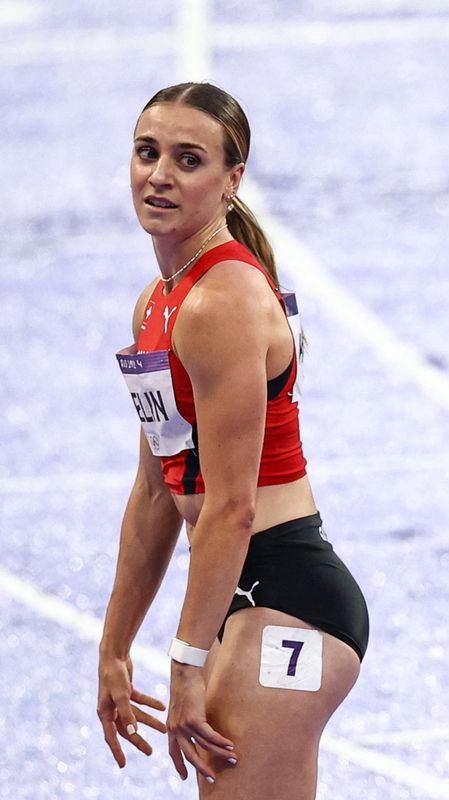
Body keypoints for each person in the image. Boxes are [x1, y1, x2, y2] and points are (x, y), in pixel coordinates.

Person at [97, 82, 369, 798]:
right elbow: (159, 493)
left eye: (188, 160)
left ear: (231, 180)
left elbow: (231, 509)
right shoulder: (158, 304)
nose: (159, 174)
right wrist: (114, 648)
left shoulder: (222, 302)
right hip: (237, 599)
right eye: (147, 152)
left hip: (287, 600)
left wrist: (183, 663)